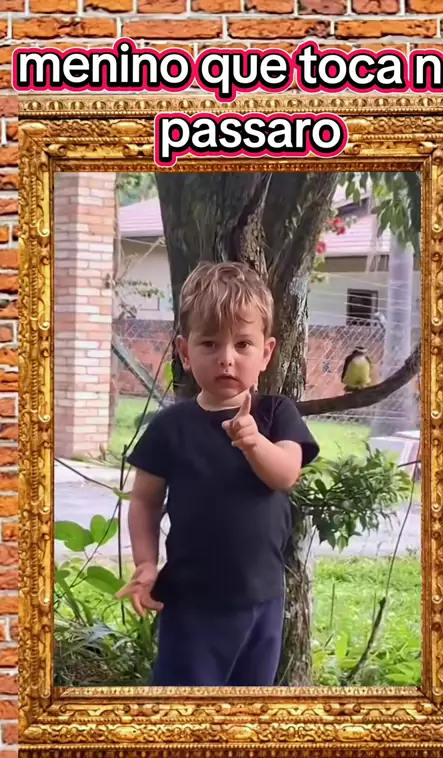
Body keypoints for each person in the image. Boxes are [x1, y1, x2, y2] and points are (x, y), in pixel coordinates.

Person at [116, 261, 319, 687]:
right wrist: (146, 564)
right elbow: (145, 501)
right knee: (186, 707)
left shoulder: (276, 415)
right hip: (191, 605)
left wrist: (253, 441)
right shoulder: (171, 427)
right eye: (209, 343)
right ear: (185, 353)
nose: (226, 358)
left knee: (248, 710)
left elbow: (285, 474)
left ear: (266, 353)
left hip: (263, 601)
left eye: (243, 344)